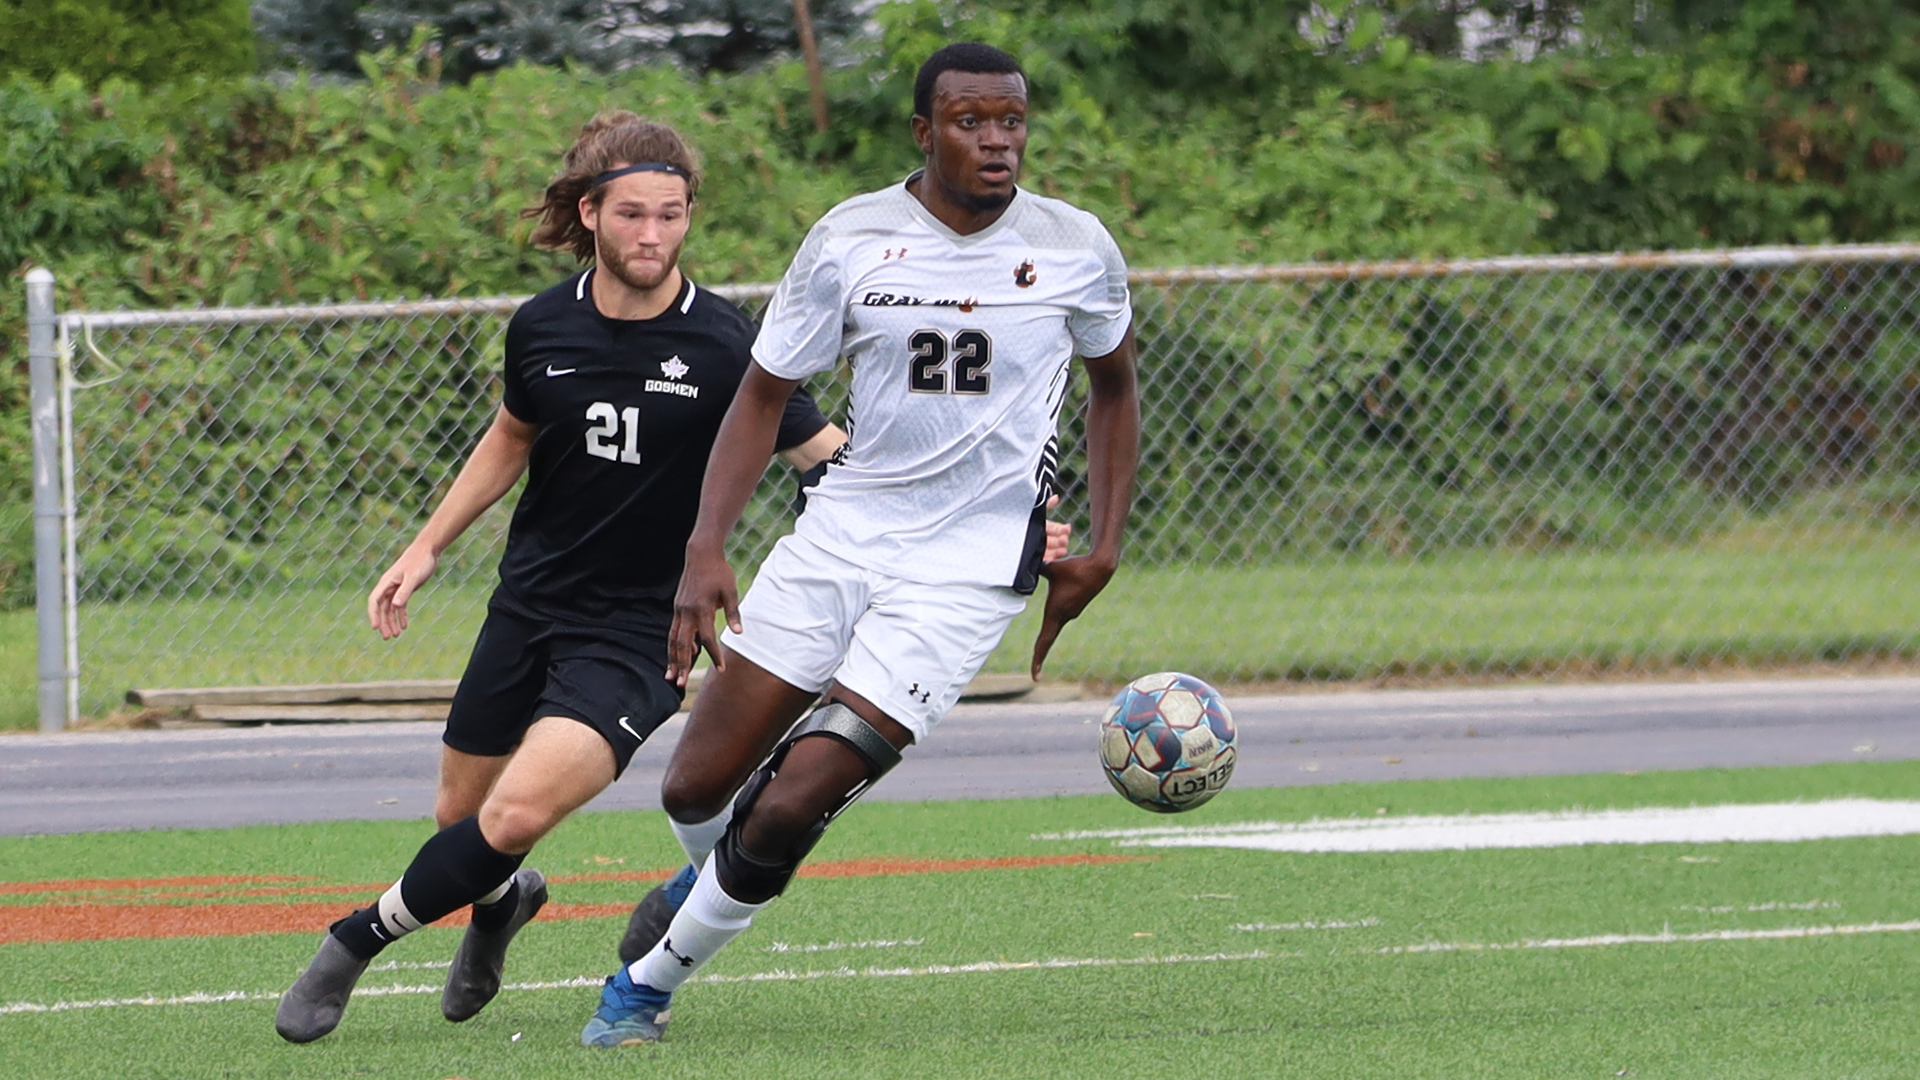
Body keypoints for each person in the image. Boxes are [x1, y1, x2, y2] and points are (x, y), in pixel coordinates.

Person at [581, 42, 1141, 1048]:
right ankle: (716, 871)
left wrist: (1103, 541)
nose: (998, 140)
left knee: (800, 793)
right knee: (694, 788)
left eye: (1011, 120)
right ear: (924, 133)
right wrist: (705, 549)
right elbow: (760, 395)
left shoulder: (1075, 246)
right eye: (971, 120)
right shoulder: (851, 236)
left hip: (969, 570)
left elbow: (1114, 389)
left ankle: (646, 985)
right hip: (841, 535)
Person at [271, 111, 849, 1044]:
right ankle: (503, 904)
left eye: (671, 215)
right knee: (461, 819)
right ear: (589, 213)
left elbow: (827, 455)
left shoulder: (728, 343)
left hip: (641, 634)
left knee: (513, 811)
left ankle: (351, 942)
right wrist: (424, 550)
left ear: (689, 217)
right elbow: (511, 435)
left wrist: (971, 521)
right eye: (631, 215)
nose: (651, 236)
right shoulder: (541, 324)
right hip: (528, 605)